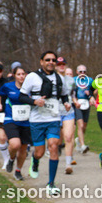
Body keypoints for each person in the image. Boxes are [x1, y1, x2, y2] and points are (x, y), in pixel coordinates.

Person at [21, 51, 71, 195]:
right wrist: (34, 101)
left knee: (54, 146)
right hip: (37, 120)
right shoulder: (32, 77)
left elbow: (64, 95)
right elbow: (21, 96)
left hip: (53, 118)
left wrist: (66, 103)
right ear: (41, 61)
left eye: (53, 60)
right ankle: (35, 160)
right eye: (47, 60)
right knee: (40, 152)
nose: (51, 62)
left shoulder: (59, 78)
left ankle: (51, 184)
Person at [0, 66, 35, 180]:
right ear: (14, 76)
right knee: (15, 144)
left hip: (26, 121)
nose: (21, 76)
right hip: (11, 119)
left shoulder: (31, 87)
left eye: (23, 74)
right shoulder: (8, 86)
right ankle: (11, 159)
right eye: (18, 74)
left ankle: (18, 171)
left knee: (23, 148)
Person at [58, 59, 77, 174]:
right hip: (54, 112)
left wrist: (75, 101)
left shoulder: (71, 80)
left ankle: (68, 164)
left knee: (69, 137)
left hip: (68, 111)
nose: (61, 66)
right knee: (56, 140)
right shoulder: (51, 79)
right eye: (59, 64)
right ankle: (58, 147)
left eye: (63, 64)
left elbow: (72, 93)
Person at [73, 64, 92, 155]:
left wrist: (90, 94)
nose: (82, 73)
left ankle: (78, 140)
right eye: (80, 71)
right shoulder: (74, 80)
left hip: (86, 104)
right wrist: (75, 101)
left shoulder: (90, 80)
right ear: (77, 72)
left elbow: (95, 90)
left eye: (84, 71)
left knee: (84, 126)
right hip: (77, 104)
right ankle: (83, 145)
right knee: (80, 125)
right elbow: (70, 92)